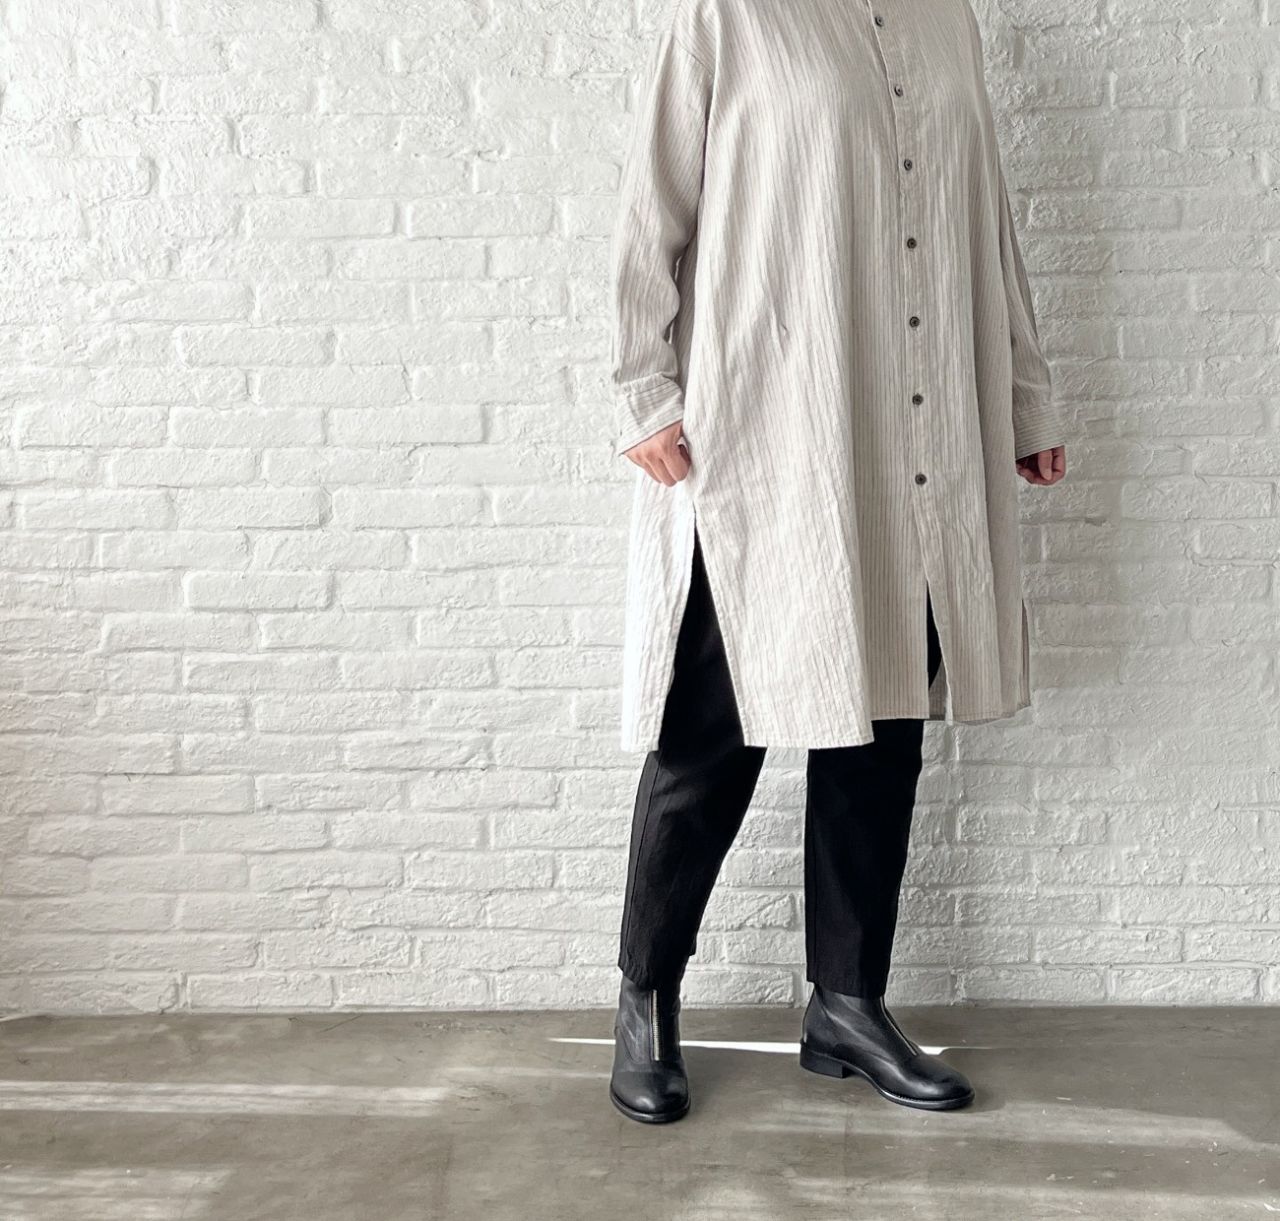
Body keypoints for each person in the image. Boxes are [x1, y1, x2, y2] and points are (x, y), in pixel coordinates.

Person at [605, 0, 1068, 1124]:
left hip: (917, 426)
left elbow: (987, 223)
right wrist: (642, 390)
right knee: (709, 730)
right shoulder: (728, 17)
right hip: (772, 420)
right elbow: (650, 210)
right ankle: (644, 997)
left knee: (883, 722)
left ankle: (846, 1004)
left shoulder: (946, 21)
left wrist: (1023, 394)